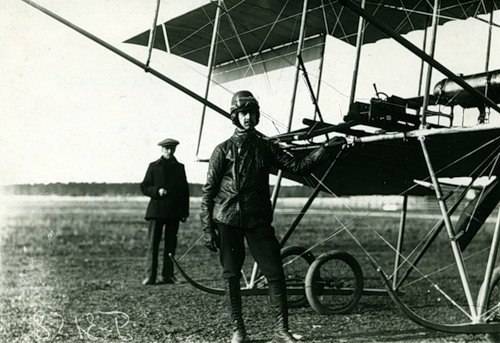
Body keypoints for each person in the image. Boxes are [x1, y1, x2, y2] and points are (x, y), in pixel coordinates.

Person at [200, 90, 344, 343]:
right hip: (227, 220)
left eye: (251, 113)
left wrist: (326, 150)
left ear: (256, 116)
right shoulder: (222, 150)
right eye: (242, 113)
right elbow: (208, 192)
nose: (247, 118)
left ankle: (281, 329)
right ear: (235, 116)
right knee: (231, 275)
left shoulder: (266, 147)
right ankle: (238, 330)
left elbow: (298, 167)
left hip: (258, 221)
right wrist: (206, 228)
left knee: (275, 273)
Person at [140, 138, 189, 285]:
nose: (169, 151)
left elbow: (184, 192)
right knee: (153, 245)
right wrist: (156, 191)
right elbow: (144, 187)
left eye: (172, 148)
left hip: (173, 213)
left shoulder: (180, 167)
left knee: (170, 245)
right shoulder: (153, 166)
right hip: (156, 212)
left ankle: (168, 276)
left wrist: (184, 212)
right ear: (161, 149)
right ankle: (150, 276)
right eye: (166, 148)